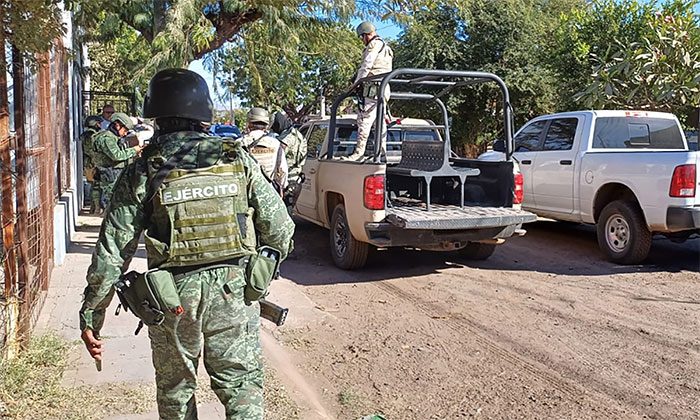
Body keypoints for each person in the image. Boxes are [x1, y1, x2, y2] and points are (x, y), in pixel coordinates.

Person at [79, 68, 295, 420]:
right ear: (204, 114)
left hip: (171, 299)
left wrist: (92, 314)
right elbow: (281, 231)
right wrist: (258, 276)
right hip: (234, 293)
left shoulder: (144, 169)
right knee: (242, 391)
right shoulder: (235, 159)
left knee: (177, 394)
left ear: (157, 116)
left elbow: (112, 252)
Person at [345, 21, 394, 161]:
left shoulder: (373, 45)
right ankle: (381, 152)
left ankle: (358, 153)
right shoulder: (386, 47)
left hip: (374, 88)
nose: (362, 40)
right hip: (384, 88)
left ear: (367, 34)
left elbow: (366, 66)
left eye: (362, 37)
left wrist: (356, 84)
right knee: (380, 122)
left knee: (364, 120)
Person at [91, 112, 143, 207]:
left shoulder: (114, 137)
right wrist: (134, 150)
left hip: (116, 173)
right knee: (112, 203)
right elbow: (116, 155)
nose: (125, 133)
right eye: (125, 130)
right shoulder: (107, 138)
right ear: (118, 125)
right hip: (110, 175)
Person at [242, 107, 288, 195]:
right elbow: (283, 170)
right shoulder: (275, 143)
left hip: (246, 192)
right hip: (268, 192)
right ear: (266, 125)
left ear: (250, 124)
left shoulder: (240, 143)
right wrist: (282, 187)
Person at [270, 112, 306, 206]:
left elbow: (278, 161)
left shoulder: (285, 139)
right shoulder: (298, 135)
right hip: (296, 180)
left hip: (286, 183)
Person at [81, 115, 103, 214]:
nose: (100, 125)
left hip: (90, 162)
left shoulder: (87, 135)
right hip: (92, 163)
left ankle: (93, 208)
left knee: (94, 185)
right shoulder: (91, 136)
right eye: (99, 123)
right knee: (96, 186)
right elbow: (90, 151)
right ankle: (96, 208)